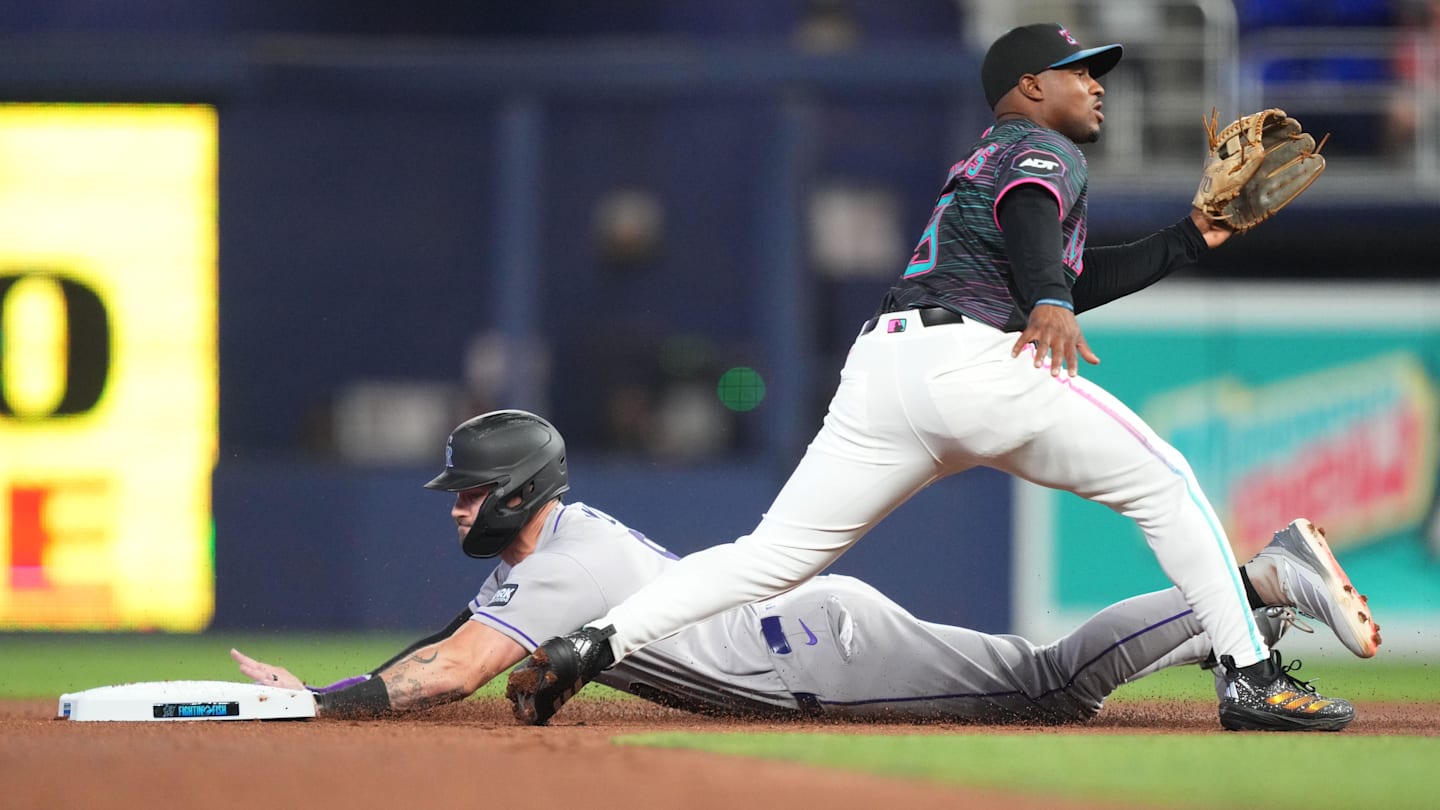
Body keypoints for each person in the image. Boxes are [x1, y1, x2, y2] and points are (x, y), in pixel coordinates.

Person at [505, 22, 1381, 733]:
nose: (1098, 83)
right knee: (1167, 482)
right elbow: (1036, 222)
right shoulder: (1041, 149)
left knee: (768, 557)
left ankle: (589, 647)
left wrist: (1191, 234)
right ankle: (1251, 678)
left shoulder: (988, 159)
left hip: (883, 370)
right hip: (972, 363)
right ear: (1031, 89)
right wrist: (1047, 303)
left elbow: (1068, 271)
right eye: (1080, 71)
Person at [232, 410, 1375, 730]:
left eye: (471, 494)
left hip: (813, 657)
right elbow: (452, 633)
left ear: (520, 494)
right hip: (803, 634)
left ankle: (1261, 582)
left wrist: (320, 707)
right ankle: (1256, 583)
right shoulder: (555, 550)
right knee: (1040, 678)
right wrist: (348, 686)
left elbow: (452, 671)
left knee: (1048, 686)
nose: (460, 511)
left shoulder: (561, 565)